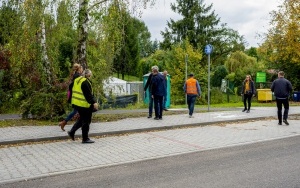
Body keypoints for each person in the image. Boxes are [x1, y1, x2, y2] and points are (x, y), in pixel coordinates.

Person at [67, 69, 99, 143]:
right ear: (88, 75)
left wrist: (71, 99)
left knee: (82, 119)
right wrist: (94, 103)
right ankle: (85, 138)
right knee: (86, 120)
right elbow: (88, 94)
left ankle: (72, 132)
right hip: (84, 105)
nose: (90, 76)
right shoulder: (85, 82)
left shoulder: (77, 80)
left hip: (77, 103)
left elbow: (70, 87)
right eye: (90, 75)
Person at [58, 63, 83, 131]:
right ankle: (64, 122)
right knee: (77, 111)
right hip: (77, 97)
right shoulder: (77, 76)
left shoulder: (75, 75)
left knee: (78, 111)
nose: (82, 70)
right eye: (81, 69)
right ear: (79, 69)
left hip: (75, 96)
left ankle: (65, 123)